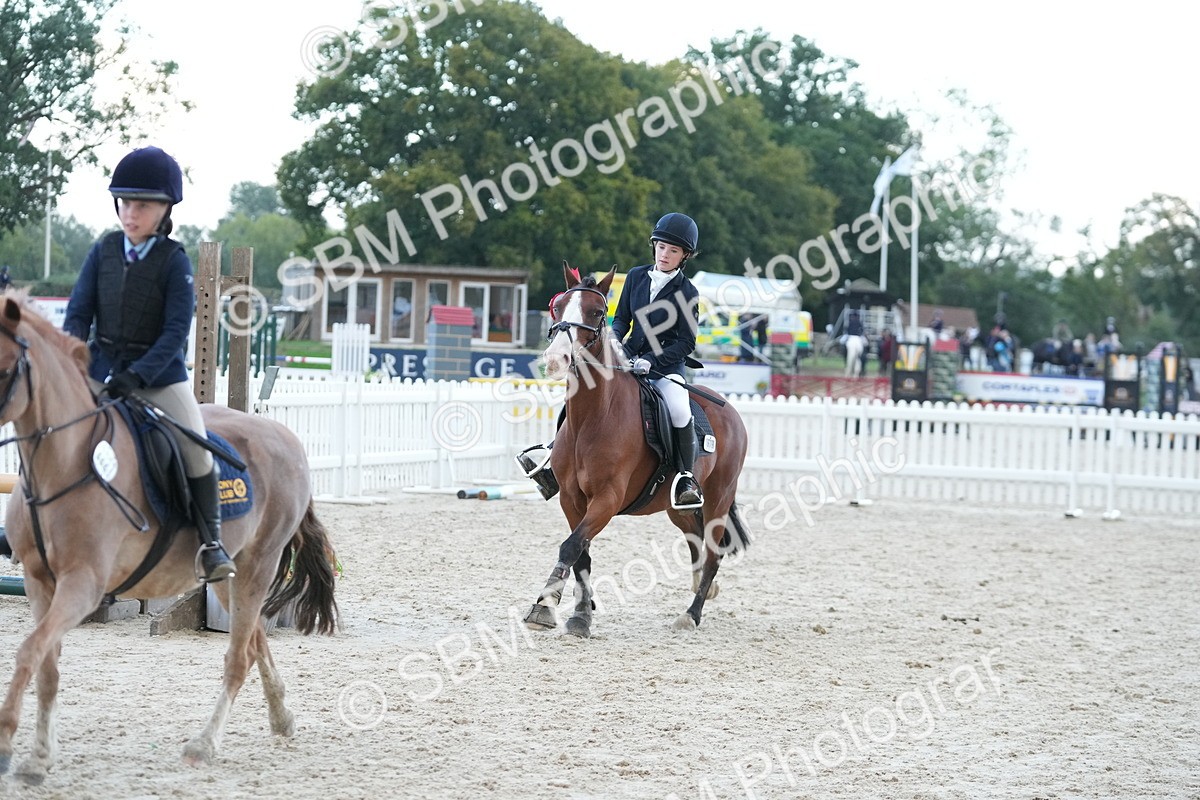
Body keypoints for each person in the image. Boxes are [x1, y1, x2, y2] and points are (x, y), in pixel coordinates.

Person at [60, 146, 235, 583]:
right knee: (55, 429)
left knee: (196, 446)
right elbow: (78, 314)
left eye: (141, 205)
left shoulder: (174, 261)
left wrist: (137, 375)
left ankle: (211, 543)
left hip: (158, 378)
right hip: (102, 372)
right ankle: (32, 522)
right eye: (125, 203)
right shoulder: (102, 251)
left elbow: (177, 331)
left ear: (164, 210)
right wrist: (73, 358)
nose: (130, 213)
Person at [612, 212, 704, 509]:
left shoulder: (688, 292)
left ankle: (686, 478)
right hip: (627, 360)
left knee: (678, 410)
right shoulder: (636, 276)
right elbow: (621, 319)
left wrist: (652, 360)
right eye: (661, 247)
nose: (665, 254)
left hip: (665, 369)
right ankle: (553, 455)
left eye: (673, 250)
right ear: (654, 245)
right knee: (588, 390)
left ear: (684, 256)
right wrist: (615, 339)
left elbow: (686, 342)